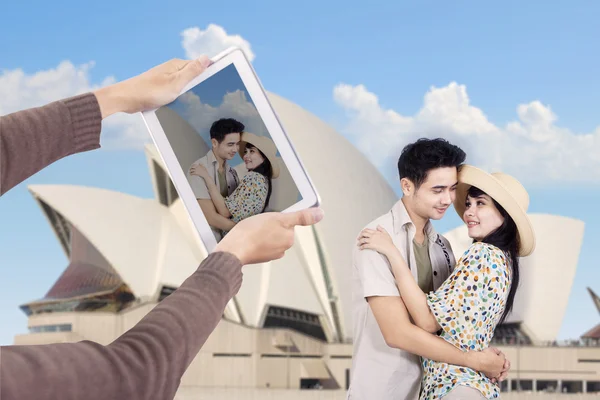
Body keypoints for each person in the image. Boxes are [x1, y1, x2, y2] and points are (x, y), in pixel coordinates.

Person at [0, 55, 325, 400]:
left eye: (247, 151)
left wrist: (116, 98)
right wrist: (230, 256)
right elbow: (130, 377)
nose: (242, 154)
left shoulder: (245, 181)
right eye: (238, 148)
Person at [347, 139, 509, 400]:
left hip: (434, 390)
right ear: (407, 186)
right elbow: (397, 332)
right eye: (438, 190)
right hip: (385, 391)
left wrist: (485, 357)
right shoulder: (376, 239)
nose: (448, 199)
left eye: (453, 189)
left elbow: (447, 324)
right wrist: (474, 361)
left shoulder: (442, 247)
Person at [190, 132, 280, 231]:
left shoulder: (253, 178)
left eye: (252, 151)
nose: (246, 156)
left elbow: (225, 212)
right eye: (246, 151)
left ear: (264, 158)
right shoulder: (263, 182)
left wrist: (207, 177)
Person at [187, 118, 244, 241]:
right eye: (230, 144)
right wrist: (246, 230)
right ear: (214, 143)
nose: (235, 149)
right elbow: (210, 217)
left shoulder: (232, 173)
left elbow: (233, 210)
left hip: (232, 239)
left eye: (237, 144)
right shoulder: (197, 169)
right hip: (211, 241)